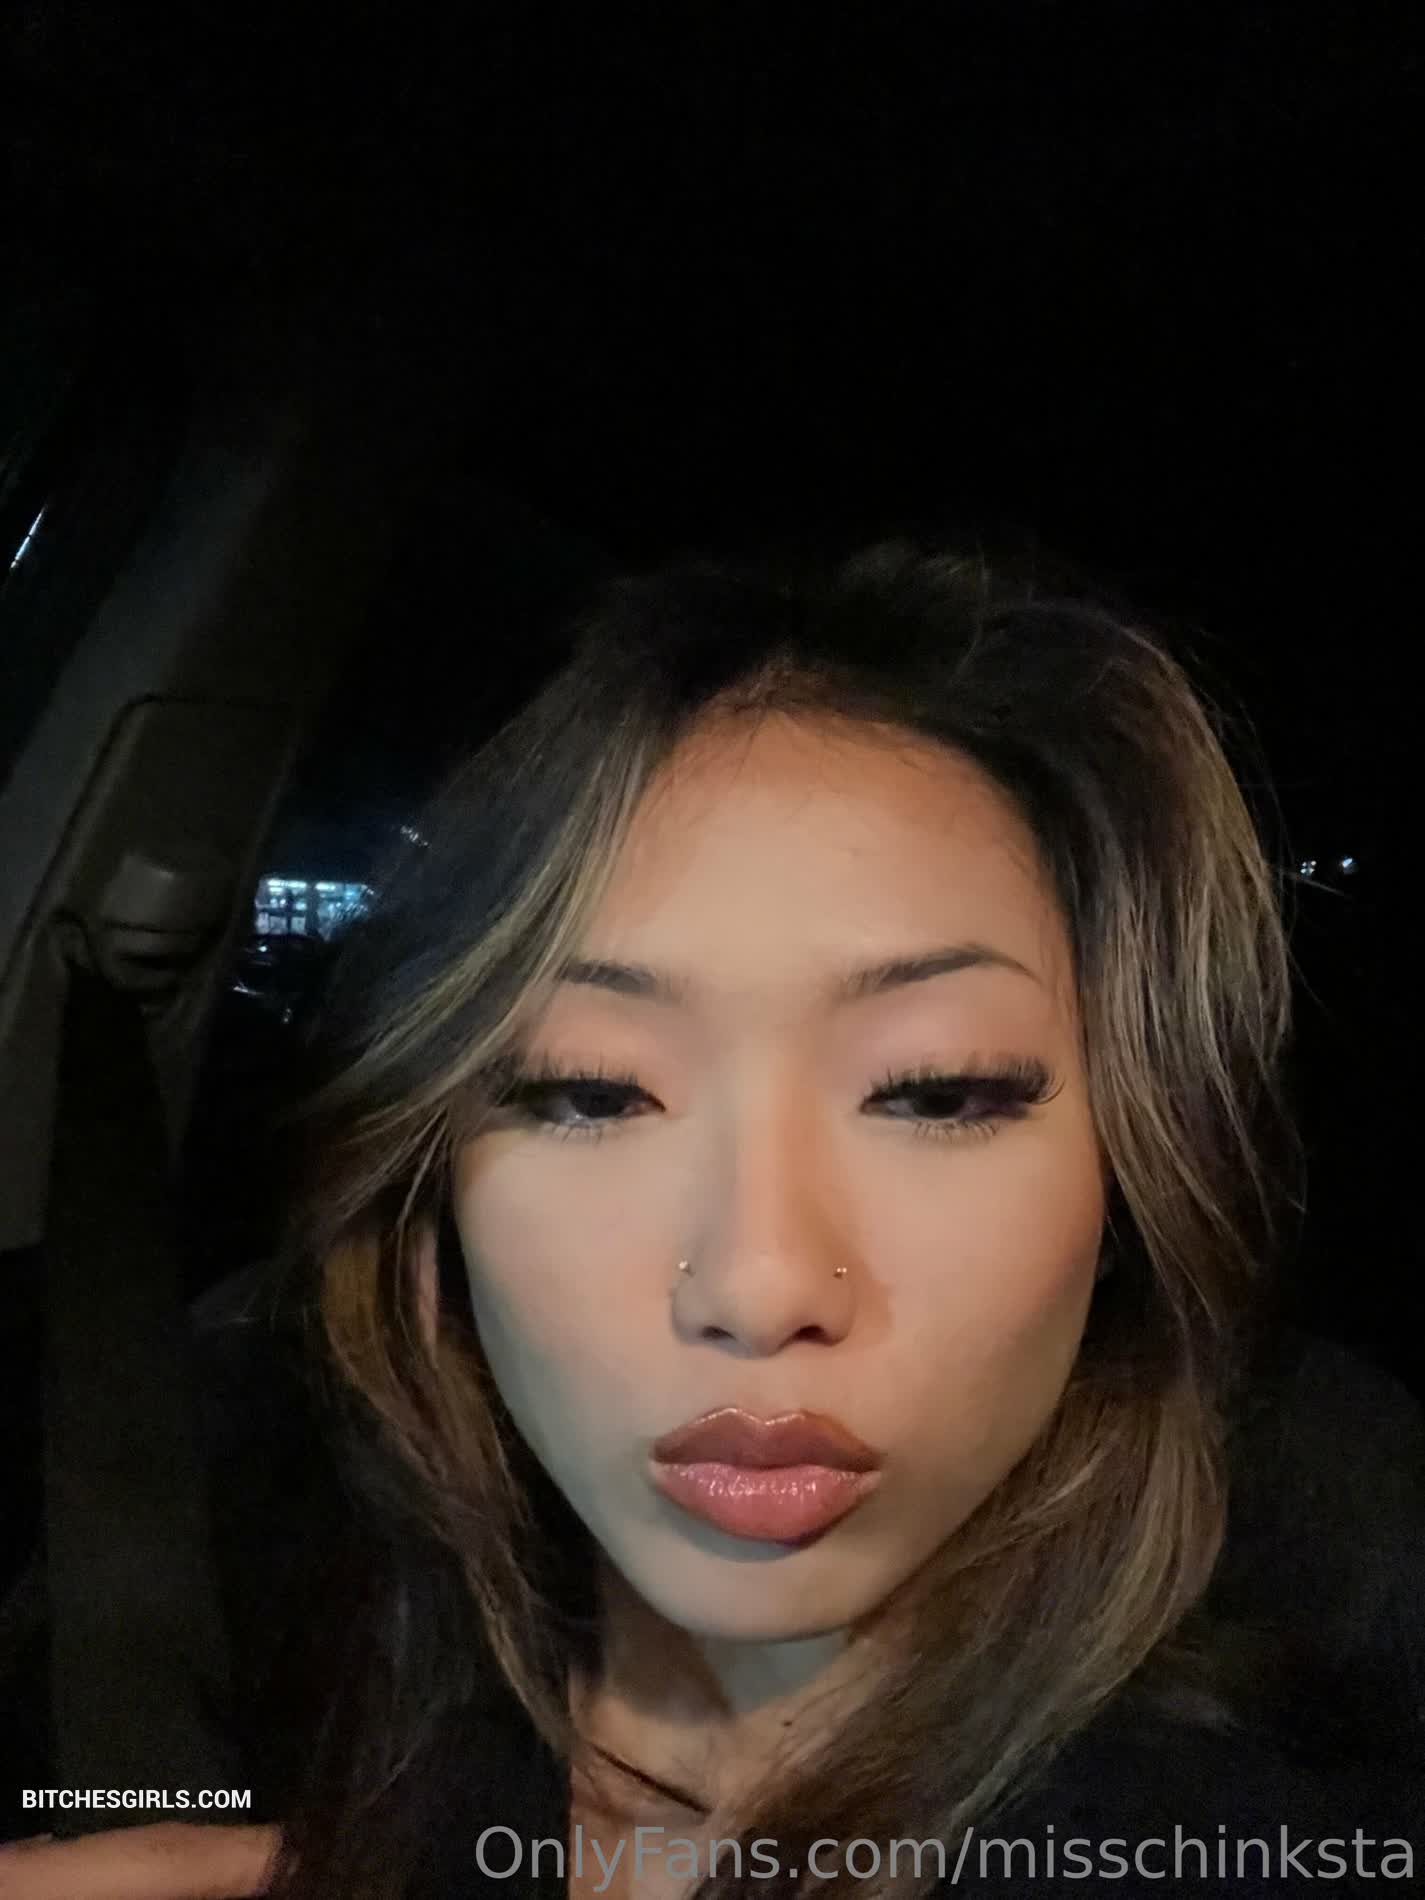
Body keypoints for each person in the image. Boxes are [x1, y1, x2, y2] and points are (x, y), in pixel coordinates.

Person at [2, 541, 1421, 1898]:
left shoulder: (1287, 1812)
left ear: (1130, 1180)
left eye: (936, 1092)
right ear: (433, 1176)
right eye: (589, 1091)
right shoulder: (205, 1616)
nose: (756, 1283)